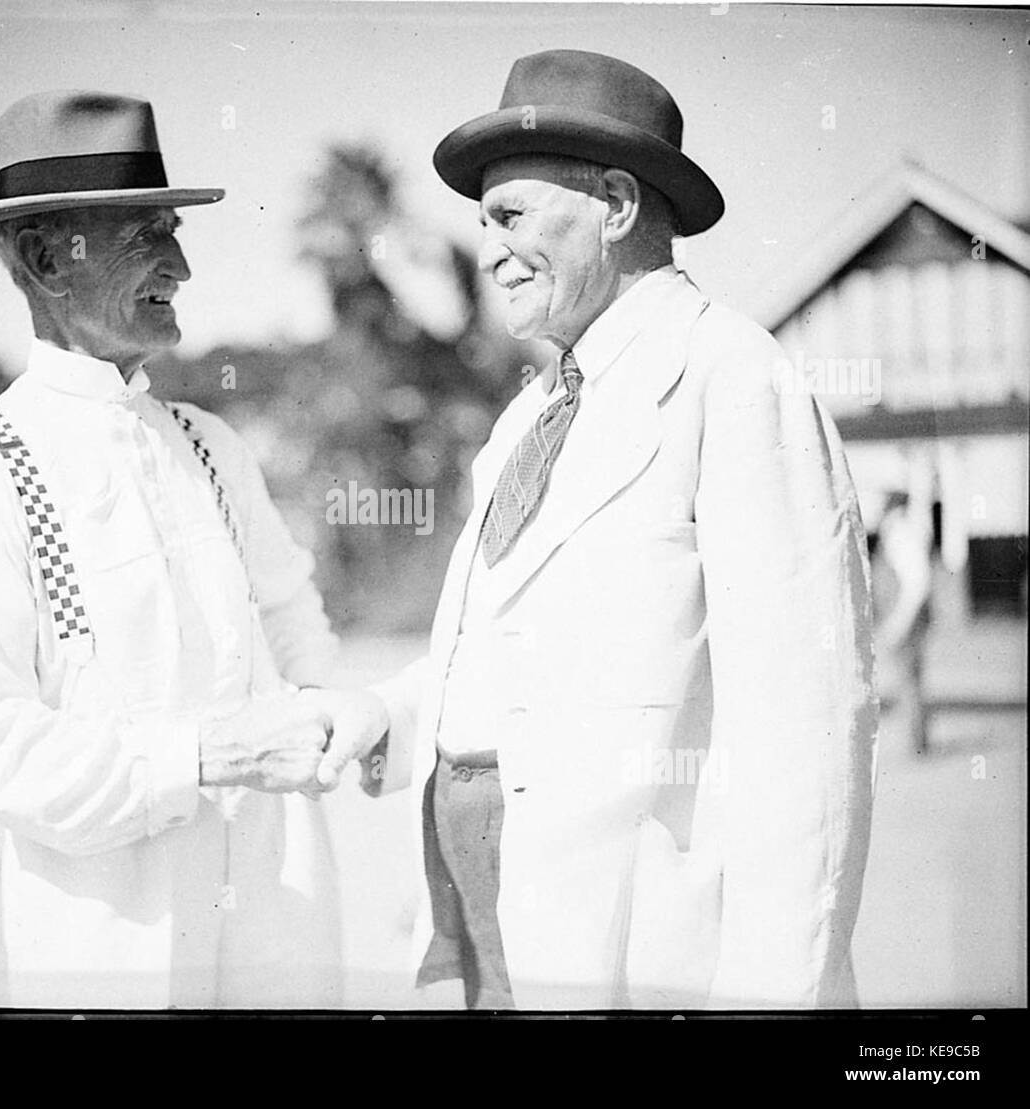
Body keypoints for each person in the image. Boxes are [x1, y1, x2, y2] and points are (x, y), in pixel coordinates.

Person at [321, 50, 879, 1009]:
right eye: (482, 223)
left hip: (639, 944)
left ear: (617, 204)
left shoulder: (735, 378)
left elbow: (809, 734)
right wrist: (394, 713)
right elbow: (508, 653)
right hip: (492, 918)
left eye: (513, 216)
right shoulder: (524, 418)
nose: (490, 250)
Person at [0, 91, 384, 1008]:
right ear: (49, 259)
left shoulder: (208, 444)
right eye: (144, 235)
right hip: (104, 961)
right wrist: (202, 753)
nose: (183, 264)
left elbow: (295, 625)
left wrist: (334, 717)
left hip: (276, 953)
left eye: (173, 227)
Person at [874, 491, 934, 755]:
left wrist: (899, 623)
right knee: (909, 681)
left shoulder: (900, 535)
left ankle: (917, 744)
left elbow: (916, 582)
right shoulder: (902, 533)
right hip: (906, 619)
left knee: (909, 682)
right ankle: (917, 741)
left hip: (906, 620)